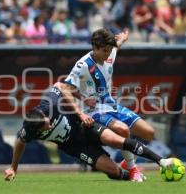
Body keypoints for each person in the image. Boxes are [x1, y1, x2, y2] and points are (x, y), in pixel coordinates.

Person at [4, 83, 173, 181]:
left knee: (116, 139)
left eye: (47, 123)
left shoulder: (49, 105)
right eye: (44, 128)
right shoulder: (28, 130)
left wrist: (81, 107)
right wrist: (13, 167)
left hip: (84, 127)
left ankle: (162, 162)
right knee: (113, 172)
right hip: (75, 147)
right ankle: (130, 175)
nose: (48, 127)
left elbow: (60, 85)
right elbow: (19, 142)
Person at [62, 28, 155, 181]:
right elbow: (65, 89)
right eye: (105, 51)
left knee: (149, 132)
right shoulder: (83, 65)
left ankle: (126, 162)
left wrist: (124, 37)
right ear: (95, 47)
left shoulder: (110, 51)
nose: (108, 54)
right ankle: (133, 170)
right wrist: (83, 102)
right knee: (123, 130)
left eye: (110, 50)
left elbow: (117, 44)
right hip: (93, 110)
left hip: (111, 105)